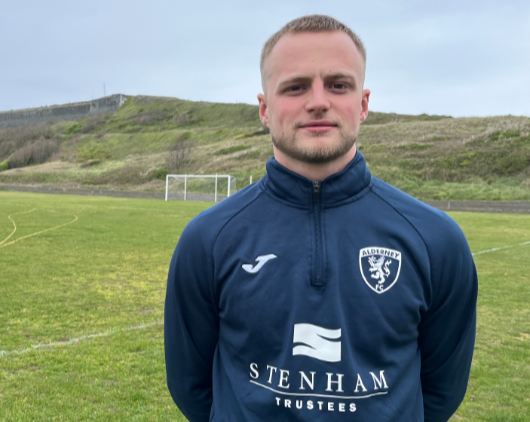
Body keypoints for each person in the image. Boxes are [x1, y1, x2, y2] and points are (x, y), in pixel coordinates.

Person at [164, 14, 477, 422]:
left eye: (338, 85)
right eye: (295, 87)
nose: (317, 101)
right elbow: (192, 387)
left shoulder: (436, 240)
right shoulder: (207, 239)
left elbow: (440, 391)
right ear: (264, 108)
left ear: (362, 104)